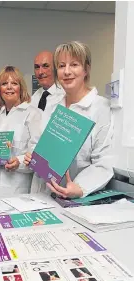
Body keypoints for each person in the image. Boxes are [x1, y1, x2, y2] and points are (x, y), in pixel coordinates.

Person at [25, 41, 114, 198]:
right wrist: (33, 156)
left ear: (86, 69)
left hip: (77, 200)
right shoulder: (52, 106)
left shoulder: (100, 108)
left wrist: (79, 188)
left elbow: (103, 162)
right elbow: (36, 143)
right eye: (61, 66)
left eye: (74, 65)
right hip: (42, 193)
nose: (66, 72)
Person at [0, 65, 42, 196]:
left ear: (21, 88)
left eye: (14, 83)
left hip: (19, 187)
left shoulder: (33, 114)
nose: (9, 87)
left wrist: (19, 162)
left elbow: (38, 152)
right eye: (4, 83)